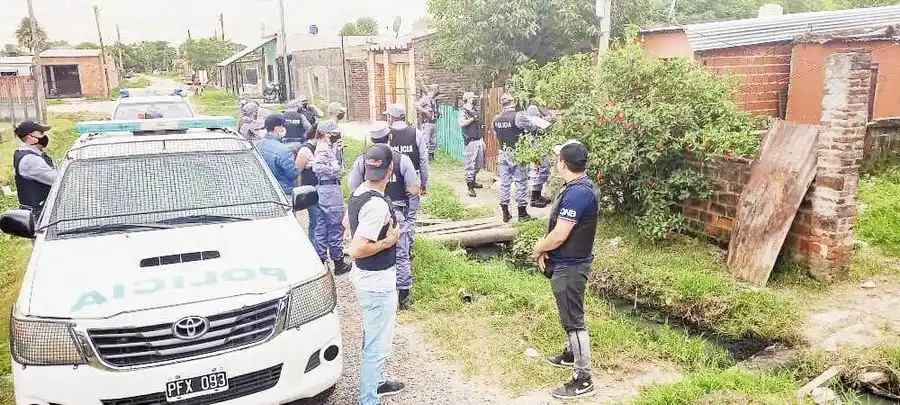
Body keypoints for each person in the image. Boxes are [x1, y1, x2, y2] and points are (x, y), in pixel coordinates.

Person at [531, 140, 599, 400]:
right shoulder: (578, 187)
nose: (556, 161)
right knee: (570, 313)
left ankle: (583, 379)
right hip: (567, 262)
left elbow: (560, 235)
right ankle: (572, 355)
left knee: (574, 320)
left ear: (563, 163)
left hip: (571, 266)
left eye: (558, 157)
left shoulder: (579, 193)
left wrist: (539, 248)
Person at [347, 143, 406, 405]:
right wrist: (389, 240)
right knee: (377, 344)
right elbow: (357, 249)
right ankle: (369, 399)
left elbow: (346, 223)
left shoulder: (360, 192)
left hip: (367, 280)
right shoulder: (377, 206)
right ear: (390, 169)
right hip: (377, 283)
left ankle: (379, 382)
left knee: (373, 335)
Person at [348, 121, 421, 310]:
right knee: (401, 254)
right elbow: (414, 189)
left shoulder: (362, 160)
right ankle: (403, 297)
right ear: (390, 136)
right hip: (396, 212)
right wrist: (410, 217)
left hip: (369, 210)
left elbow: (353, 187)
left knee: (375, 250)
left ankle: (380, 294)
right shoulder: (402, 160)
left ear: (372, 139)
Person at [313, 121, 352, 275]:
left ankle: (321, 260)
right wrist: (335, 169)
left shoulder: (327, 147)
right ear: (326, 133)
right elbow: (317, 167)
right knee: (336, 224)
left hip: (325, 188)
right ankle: (338, 262)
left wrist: (338, 152)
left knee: (322, 226)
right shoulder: (323, 148)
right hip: (330, 189)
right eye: (334, 132)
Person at [492, 93, 536, 223]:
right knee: (521, 182)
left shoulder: (495, 119)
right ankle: (522, 213)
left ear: (502, 104)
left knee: (505, 183)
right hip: (517, 153)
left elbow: (496, 136)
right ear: (513, 102)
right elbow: (531, 127)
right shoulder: (518, 116)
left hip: (503, 152)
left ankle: (505, 212)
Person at [13, 121, 57, 219]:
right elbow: (57, 180)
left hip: (40, 211)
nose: (45, 137)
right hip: (38, 216)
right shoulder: (30, 160)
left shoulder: (32, 154)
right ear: (30, 137)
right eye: (41, 133)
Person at [295, 122, 323, 252]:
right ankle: (314, 249)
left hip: (323, 190)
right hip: (311, 191)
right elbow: (298, 171)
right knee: (316, 221)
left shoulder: (323, 148)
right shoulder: (305, 150)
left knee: (322, 221)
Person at [256, 114, 300, 197]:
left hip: (263, 189)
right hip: (282, 192)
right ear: (277, 128)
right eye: (282, 126)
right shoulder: (283, 150)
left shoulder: (257, 145)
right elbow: (292, 175)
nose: (284, 129)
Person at [525, 103, 555, 208]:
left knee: (541, 171)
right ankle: (534, 197)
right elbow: (546, 126)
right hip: (537, 149)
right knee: (541, 170)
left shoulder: (531, 120)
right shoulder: (532, 122)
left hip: (537, 148)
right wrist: (547, 121)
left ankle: (537, 194)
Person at [459, 92, 485, 197]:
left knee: (479, 163)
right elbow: (461, 123)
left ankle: (473, 180)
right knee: (470, 164)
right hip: (470, 141)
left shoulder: (474, 111)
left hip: (478, 139)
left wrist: (482, 139)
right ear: (468, 99)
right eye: (473, 98)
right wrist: (471, 119)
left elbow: (479, 126)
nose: (474, 100)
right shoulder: (463, 112)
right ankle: (470, 187)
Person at [414, 84, 440, 161]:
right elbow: (416, 105)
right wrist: (425, 111)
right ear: (434, 90)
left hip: (433, 122)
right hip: (427, 123)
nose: (439, 91)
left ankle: (431, 156)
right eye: (438, 89)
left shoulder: (433, 100)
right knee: (426, 140)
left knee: (433, 140)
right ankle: (424, 156)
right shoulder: (425, 99)